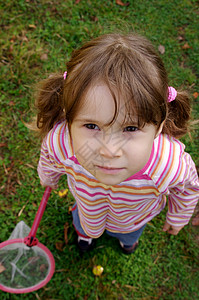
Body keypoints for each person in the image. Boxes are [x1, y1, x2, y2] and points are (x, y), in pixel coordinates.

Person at [34, 33, 199, 254]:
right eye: (92, 126)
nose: (109, 151)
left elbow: (188, 188)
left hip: (133, 220)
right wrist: (48, 177)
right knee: (84, 224)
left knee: (128, 234)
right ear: (69, 117)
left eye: (130, 128)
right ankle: (86, 236)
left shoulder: (169, 165)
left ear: (159, 125)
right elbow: (48, 156)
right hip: (87, 209)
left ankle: (127, 242)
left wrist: (178, 216)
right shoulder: (62, 144)